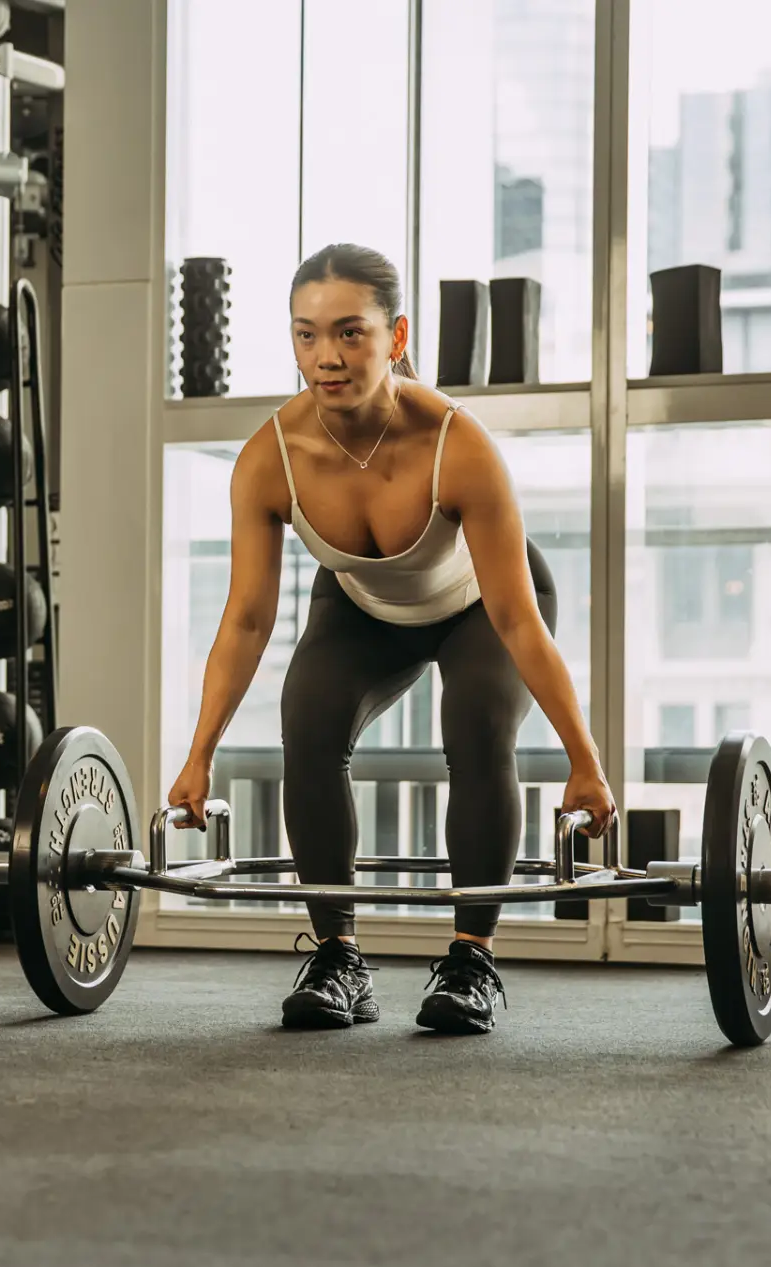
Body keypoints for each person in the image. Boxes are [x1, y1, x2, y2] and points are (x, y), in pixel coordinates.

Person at [167, 243, 617, 1035]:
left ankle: (470, 960)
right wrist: (199, 753)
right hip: (362, 605)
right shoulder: (271, 458)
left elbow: (517, 620)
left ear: (396, 335)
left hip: (481, 604)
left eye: (350, 332)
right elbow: (246, 619)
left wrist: (585, 759)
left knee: (475, 721)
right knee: (308, 718)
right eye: (307, 334)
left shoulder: (456, 443)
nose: (327, 357)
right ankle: (338, 957)